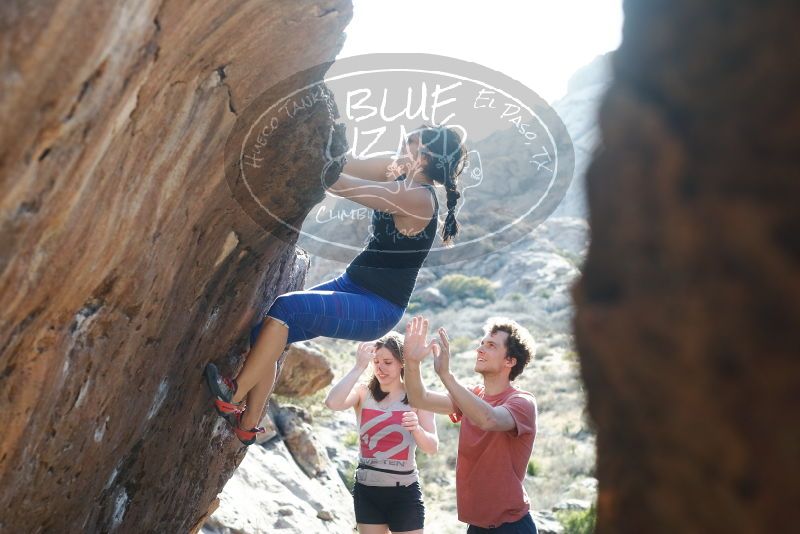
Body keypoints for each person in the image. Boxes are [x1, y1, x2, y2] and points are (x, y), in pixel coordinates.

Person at [205, 125, 468, 444]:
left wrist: (310, 157)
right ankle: (247, 425)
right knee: (268, 334)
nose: (403, 142)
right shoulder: (398, 170)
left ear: (426, 156)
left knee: (285, 309)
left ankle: (233, 396)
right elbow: (346, 164)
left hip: (377, 308)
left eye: (411, 141)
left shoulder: (418, 199)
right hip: (352, 285)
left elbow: (346, 186)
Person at [402, 315, 539, 534]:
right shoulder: (473, 395)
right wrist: (411, 363)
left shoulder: (522, 402)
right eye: (482, 343)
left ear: (510, 361)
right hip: (477, 527)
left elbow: (488, 419)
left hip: (512, 527)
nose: (480, 349)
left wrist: (446, 375)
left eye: (491, 345)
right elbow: (420, 399)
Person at [325, 332, 438, 534]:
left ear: (402, 363)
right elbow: (332, 403)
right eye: (376, 361)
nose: (380, 368)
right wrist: (358, 367)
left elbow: (432, 447)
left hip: (404, 493)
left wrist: (417, 429)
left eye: (387, 362)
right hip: (367, 491)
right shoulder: (362, 393)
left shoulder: (418, 397)